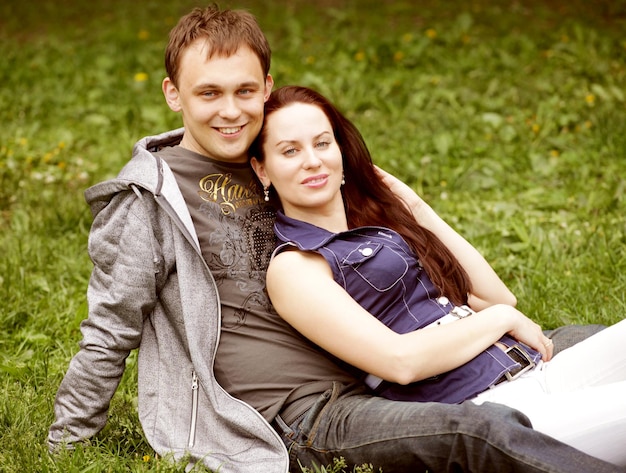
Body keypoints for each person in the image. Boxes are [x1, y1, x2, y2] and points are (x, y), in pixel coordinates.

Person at [47, 5, 619, 473]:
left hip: (389, 365)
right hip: (306, 410)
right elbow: (109, 330)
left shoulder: (279, 153)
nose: (230, 111)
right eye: (208, 94)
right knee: (479, 431)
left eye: (245, 91)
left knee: (587, 342)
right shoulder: (149, 201)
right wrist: (65, 449)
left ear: (266, 88)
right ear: (174, 94)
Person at [250, 85, 626, 468]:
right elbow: (400, 362)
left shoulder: (377, 230)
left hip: (534, 369)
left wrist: (413, 205)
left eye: (323, 143)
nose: (313, 160)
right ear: (262, 169)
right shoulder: (296, 266)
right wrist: (500, 320)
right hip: (500, 410)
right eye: (290, 150)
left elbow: (498, 297)